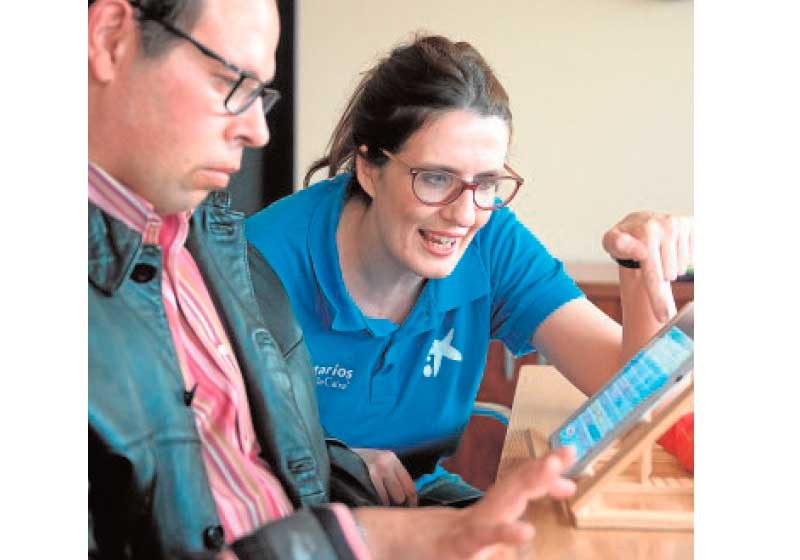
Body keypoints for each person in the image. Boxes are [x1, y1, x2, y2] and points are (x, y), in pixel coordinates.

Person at [88, 1, 579, 559]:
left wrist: (411, 507)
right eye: (229, 80)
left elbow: (259, 457)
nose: (257, 131)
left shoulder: (201, 239)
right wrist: (386, 536)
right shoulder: (258, 249)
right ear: (108, 38)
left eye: (260, 93)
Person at [245, 34, 693, 507]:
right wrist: (333, 459)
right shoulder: (258, 260)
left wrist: (636, 265)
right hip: (286, 511)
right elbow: (200, 453)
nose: (464, 214)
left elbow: (633, 390)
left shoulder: (490, 238)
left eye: (486, 183)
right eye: (435, 178)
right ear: (370, 170)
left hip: (416, 501)